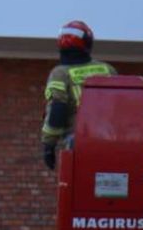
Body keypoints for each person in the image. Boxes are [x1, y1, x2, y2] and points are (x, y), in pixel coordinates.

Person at [40, 20, 117, 169]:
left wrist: (48, 146)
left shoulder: (60, 74)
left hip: (78, 143)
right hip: (112, 141)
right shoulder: (108, 70)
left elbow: (57, 109)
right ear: (87, 43)